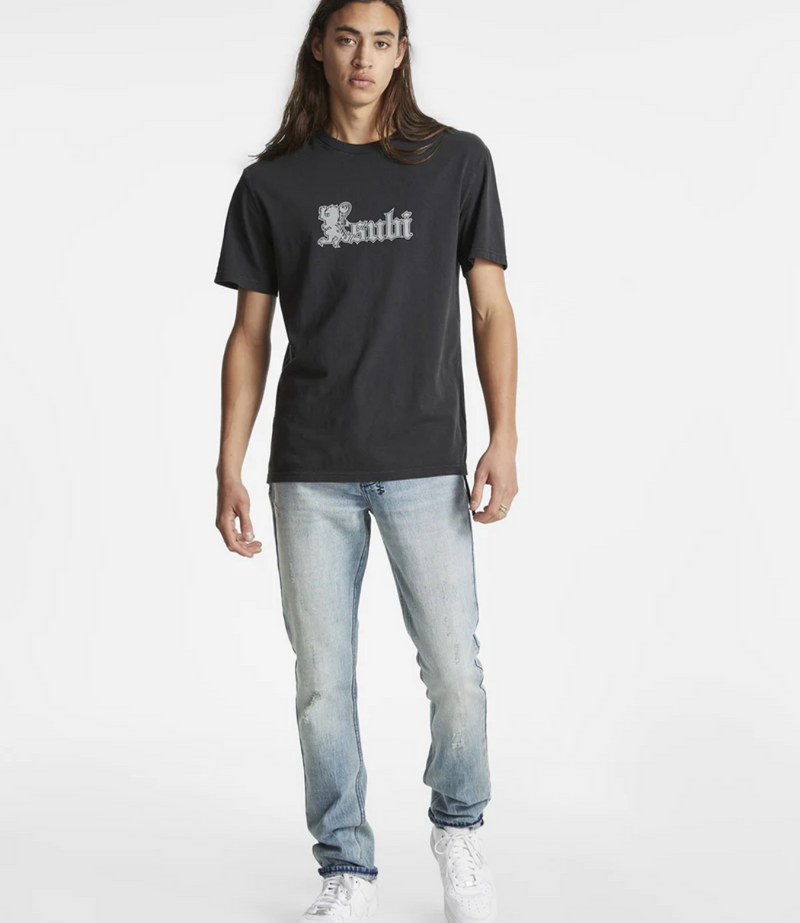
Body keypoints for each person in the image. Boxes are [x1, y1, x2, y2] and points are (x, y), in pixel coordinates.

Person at [213, 2, 518, 921]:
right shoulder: (272, 185)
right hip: (311, 467)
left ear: (401, 54)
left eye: (383, 42)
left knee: (455, 672)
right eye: (348, 38)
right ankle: (346, 865)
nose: (364, 57)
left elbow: (491, 308)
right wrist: (228, 465)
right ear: (320, 46)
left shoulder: (456, 161)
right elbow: (249, 335)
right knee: (322, 685)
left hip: (426, 459)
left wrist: (505, 435)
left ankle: (458, 830)